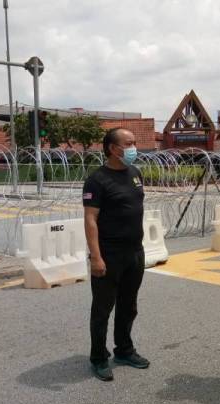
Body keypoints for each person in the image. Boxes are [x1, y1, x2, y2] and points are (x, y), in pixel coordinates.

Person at [82, 127, 149, 381]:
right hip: (109, 254)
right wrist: (96, 257)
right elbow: (90, 220)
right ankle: (98, 357)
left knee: (128, 306)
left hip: (135, 252)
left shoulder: (135, 173)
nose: (134, 148)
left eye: (134, 143)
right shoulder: (97, 180)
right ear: (113, 148)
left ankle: (124, 350)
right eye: (129, 143)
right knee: (102, 309)